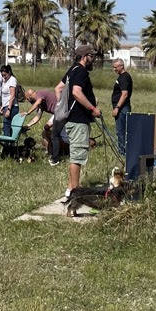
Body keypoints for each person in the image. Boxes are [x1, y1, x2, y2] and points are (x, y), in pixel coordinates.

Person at [60, 45, 101, 202]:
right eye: (92, 56)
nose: (93, 60)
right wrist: (92, 108)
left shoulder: (72, 69)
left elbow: (59, 88)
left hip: (71, 119)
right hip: (78, 120)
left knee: (75, 155)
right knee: (77, 157)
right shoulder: (82, 71)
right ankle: (75, 194)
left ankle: (70, 188)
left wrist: (63, 109)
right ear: (85, 57)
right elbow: (76, 92)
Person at [23, 85, 61, 166]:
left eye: (27, 99)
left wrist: (28, 112)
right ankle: (51, 151)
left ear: (29, 97)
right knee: (45, 131)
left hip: (60, 111)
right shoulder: (40, 102)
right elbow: (38, 116)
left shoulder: (39, 94)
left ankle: (56, 154)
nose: (29, 101)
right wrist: (28, 125)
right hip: (57, 113)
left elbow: (38, 101)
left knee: (49, 130)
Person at [110, 58, 134, 155]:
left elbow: (124, 94)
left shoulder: (124, 77)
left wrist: (117, 107)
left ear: (121, 66)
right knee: (122, 131)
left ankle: (123, 153)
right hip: (122, 108)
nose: (114, 69)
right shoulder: (122, 77)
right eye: (113, 67)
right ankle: (123, 151)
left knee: (121, 131)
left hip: (122, 108)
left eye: (116, 67)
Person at [0, 64, 20, 132]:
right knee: (6, 126)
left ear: (9, 72)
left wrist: (9, 109)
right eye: (2, 75)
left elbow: (12, 96)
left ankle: (8, 141)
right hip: (6, 106)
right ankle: (8, 141)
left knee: (7, 126)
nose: (3, 77)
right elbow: (5, 95)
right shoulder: (5, 80)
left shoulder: (12, 80)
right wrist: (2, 106)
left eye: (5, 75)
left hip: (12, 107)